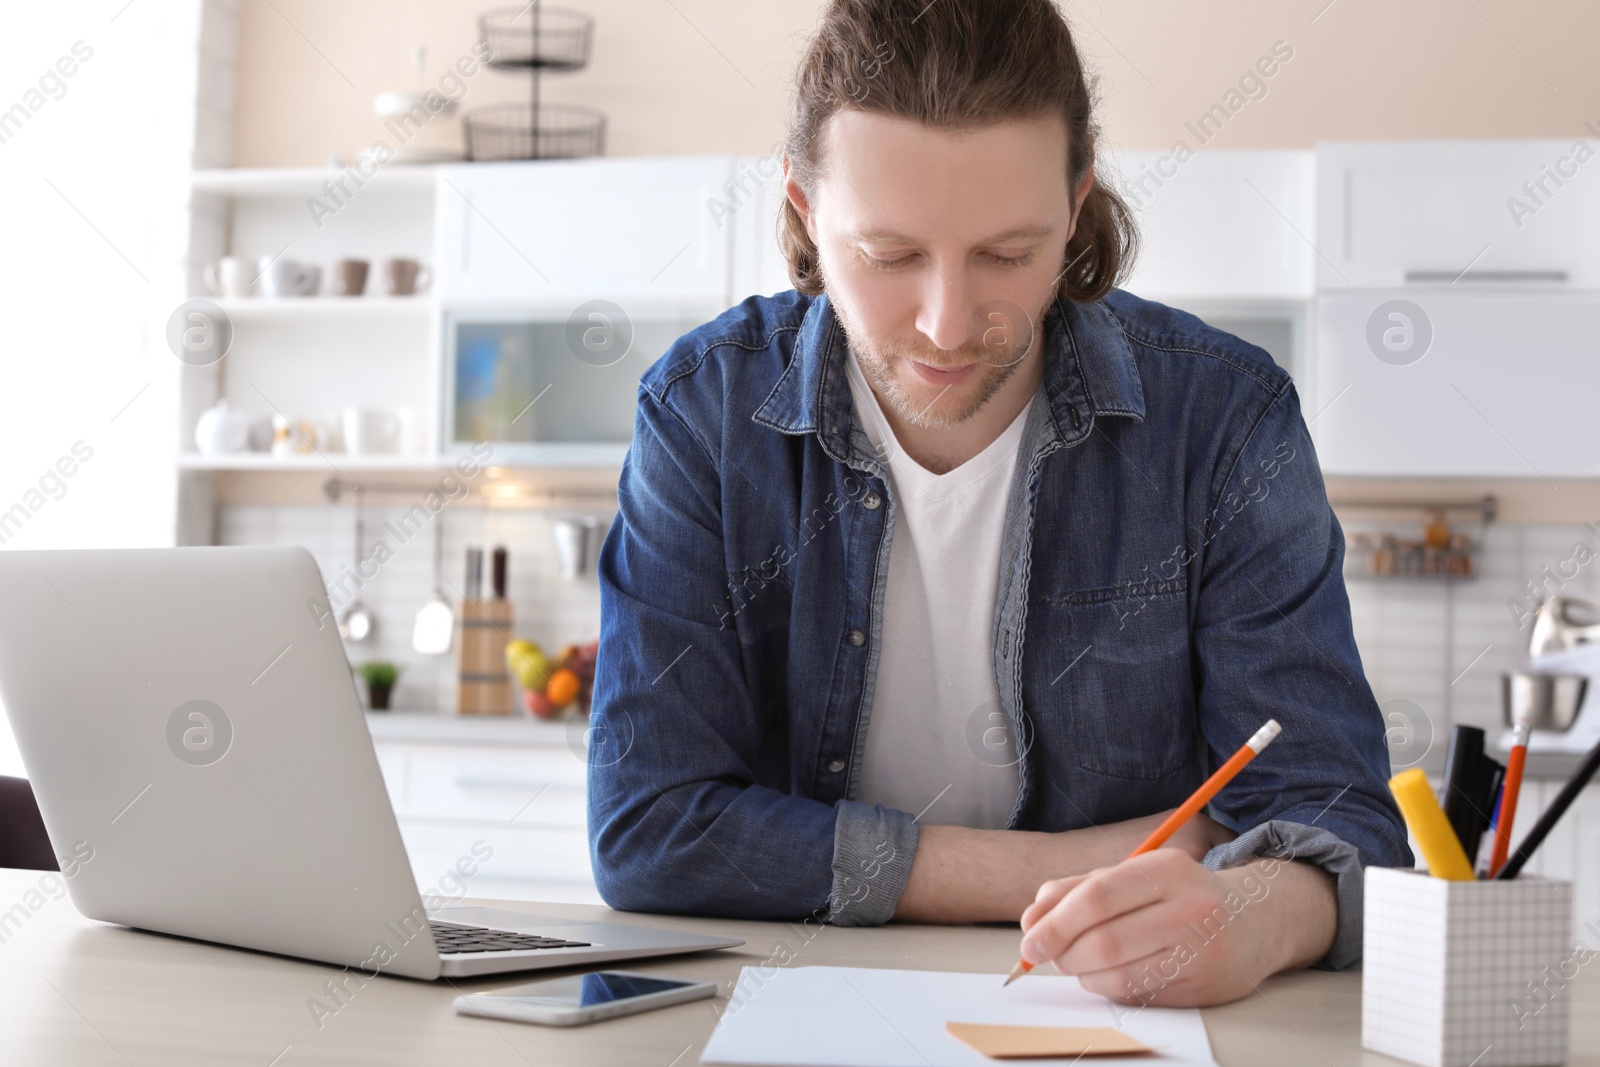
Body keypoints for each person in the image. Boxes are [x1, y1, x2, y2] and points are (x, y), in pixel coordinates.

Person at [588, 0, 1410, 1008]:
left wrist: (1252, 912)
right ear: (803, 209)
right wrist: (1056, 865)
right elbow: (648, 828)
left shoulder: (1226, 421)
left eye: (1006, 254)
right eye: (888, 255)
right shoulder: (702, 412)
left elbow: (1342, 821)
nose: (944, 322)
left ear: (1074, 206)